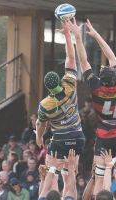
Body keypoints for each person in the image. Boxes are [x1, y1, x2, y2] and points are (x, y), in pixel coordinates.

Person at [68, 18, 116, 198]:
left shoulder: (96, 88)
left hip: (104, 136)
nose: (105, 64)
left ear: (101, 79)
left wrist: (78, 37)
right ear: (115, 77)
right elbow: (111, 57)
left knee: (98, 176)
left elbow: (83, 60)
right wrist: (95, 35)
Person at [35, 21, 85, 162]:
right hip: (78, 137)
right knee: (70, 172)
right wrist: (68, 35)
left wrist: (39, 137)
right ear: (59, 80)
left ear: (47, 87)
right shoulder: (69, 85)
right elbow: (71, 58)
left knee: (51, 170)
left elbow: (40, 124)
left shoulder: (45, 104)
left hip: (60, 140)